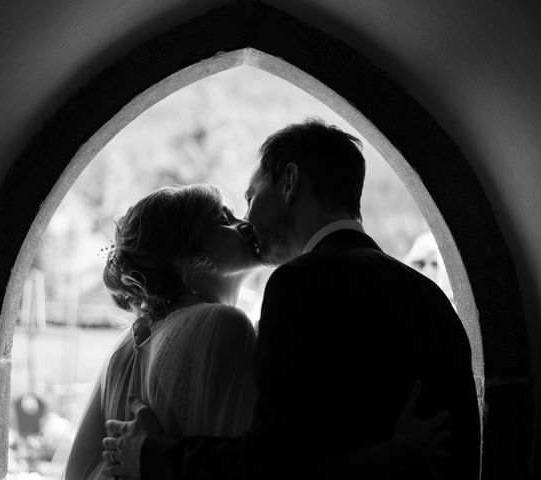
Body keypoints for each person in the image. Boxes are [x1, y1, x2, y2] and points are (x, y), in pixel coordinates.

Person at [102, 119, 481, 479]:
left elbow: (273, 465)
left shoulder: (300, 284)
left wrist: (150, 453)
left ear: (289, 183)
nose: (247, 219)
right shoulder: (430, 296)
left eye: (251, 196)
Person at [66, 183, 449, 479]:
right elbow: (268, 470)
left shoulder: (131, 345)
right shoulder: (219, 325)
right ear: (183, 258)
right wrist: (389, 456)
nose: (243, 223)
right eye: (222, 219)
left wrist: (148, 454)